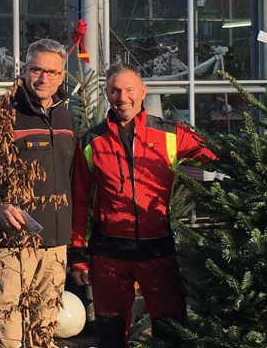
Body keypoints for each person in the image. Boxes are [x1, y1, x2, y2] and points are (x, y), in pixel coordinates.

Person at [70, 62, 215, 348]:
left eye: (129, 90)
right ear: (107, 93)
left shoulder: (170, 135)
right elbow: (79, 201)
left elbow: (214, 155)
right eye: (114, 90)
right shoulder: (91, 141)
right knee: (111, 335)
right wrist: (77, 254)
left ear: (143, 91)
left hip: (158, 252)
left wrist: (265, 162)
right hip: (109, 255)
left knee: (171, 330)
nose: (122, 97)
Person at [0, 38, 75, 348]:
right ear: (25, 70)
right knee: (6, 333)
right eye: (37, 69)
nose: (44, 78)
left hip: (54, 246)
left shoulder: (66, 118)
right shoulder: (0, 115)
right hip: (11, 245)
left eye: (52, 72)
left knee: (44, 331)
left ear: (62, 76)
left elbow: (70, 179)